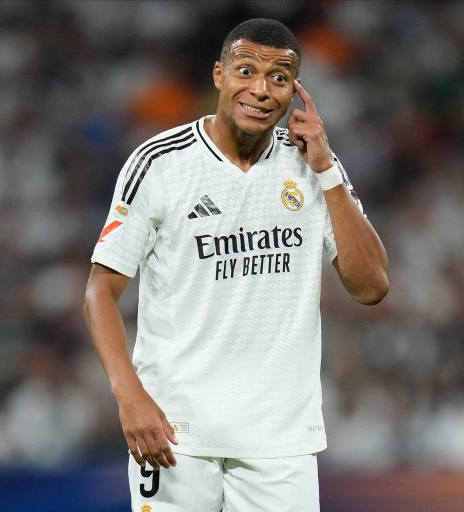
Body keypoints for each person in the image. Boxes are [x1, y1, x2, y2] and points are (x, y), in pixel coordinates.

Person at [84, 18, 388, 512]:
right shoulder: (159, 163)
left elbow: (372, 285)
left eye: (279, 78)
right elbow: (100, 290)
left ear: (294, 91)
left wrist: (327, 170)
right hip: (174, 432)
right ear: (219, 74)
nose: (261, 90)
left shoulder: (312, 165)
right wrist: (128, 395)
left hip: (280, 440)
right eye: (246, 71)